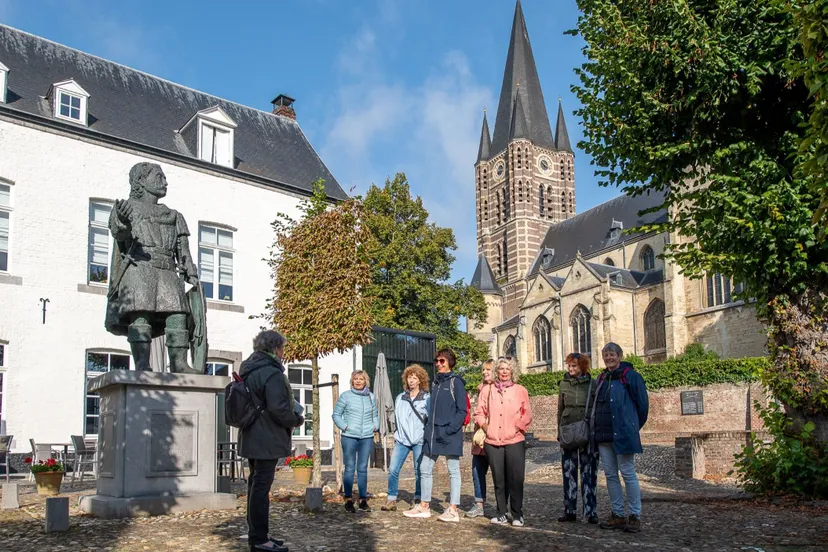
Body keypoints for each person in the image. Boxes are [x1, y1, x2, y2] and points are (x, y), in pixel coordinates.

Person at [105, 162, 202, 373]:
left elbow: (182, 248)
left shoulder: (174, 215)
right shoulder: (125, 209)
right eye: (159, 176)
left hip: (167, 269)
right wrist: (122, 221)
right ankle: (142, 363)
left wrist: (190, 271)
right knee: (141, 315)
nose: (165, 182)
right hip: (139, 268)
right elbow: (120, 235)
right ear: (141, 180)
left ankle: (179, 363)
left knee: (178, 315)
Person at [238, 330, 302, 552]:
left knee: (255, 485)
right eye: (282, 348)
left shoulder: (248, 369)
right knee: (260, 488)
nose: (283, 353)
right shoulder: (271, 373)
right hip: (266, 437)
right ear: (275, 349)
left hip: (252, 434)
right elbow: (279, 408)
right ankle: (259, 540)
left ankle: (257, 536)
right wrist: (296, 419)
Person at [403, 348, 468, 523]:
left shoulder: (457, 383)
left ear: (450, 363)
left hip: (450, 433)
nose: (438, 364)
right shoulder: (436, 383)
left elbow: (462, 411)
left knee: (453, 470)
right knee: (424, 468)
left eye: (442, 361)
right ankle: (424, 506)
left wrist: (449, 430)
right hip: (433, 434)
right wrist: (429, 430)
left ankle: (453, 509)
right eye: (437, 361)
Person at [593, 342, 649, 533]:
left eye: (612, 355)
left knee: (628, 473)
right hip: (604, 434)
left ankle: (634, 515)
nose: (609, 358)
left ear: (619, 356)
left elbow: (642, 407)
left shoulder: (631, 376)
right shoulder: (602, 378)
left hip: (623, 434)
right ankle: (617, 514)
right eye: (606, 355)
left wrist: (631, 427)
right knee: (610, 475)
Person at [474, 357, 532, 526]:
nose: (504, 372)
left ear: (512, 371)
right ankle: (501, 513)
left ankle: (517, 514)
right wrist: (486, 427)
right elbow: (479, 412)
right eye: (501, 369)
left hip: (514, 440)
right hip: (493, 441)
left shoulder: (520, 390)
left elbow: (526, 413)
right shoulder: (487, 390)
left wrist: (517, 427)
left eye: (507, 369)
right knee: (498, 479)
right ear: (496, 371)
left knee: (515, 479)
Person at [556, 353, 599, 524]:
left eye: (574, 365)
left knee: (589, 473)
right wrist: (559, 432)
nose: (571, 368)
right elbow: (560, 409)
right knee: (568, 472)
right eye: (569, 365)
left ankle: (590, 511)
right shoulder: (563, 384)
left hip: (588, 433)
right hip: (568, 433)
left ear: (583, 366)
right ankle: (570, 510)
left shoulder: (593, 384)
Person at [381, 364, 431, 511]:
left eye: (415, 378)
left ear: (420, 381)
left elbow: (429, 419)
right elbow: (396, 417)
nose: (412, 381)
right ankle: (391, 498)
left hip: (419, 440)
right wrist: (397, 434)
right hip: (402, 440)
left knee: (418, 470)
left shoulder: (426, 398)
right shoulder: (400, 398)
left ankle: (418, 497)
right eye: (410, 377)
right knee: (393, 469)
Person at [332, 370, 379, 513]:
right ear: (352, 381)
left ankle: (363, 500)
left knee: (363, 468)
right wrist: (345, 427)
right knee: (350, 467)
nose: (358, 381)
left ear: (366, 381)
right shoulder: (346, 396)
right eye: (355, 379)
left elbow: (375, 415)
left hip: (366, 437)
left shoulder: (371, 397)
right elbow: (336, 415)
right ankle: (348, 499)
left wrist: (375, 426)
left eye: (361, 379)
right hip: (349, 436)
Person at [465, 359, 496, 518]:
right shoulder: (481, 389)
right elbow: (478, 413)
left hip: (495, 436)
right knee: (477, 471)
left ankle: (502, 507)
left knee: (499, 473)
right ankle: (479, 504)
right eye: (483, 370)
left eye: (488, 370)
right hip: (481, 437)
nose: (484, 372)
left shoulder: (499, 388)